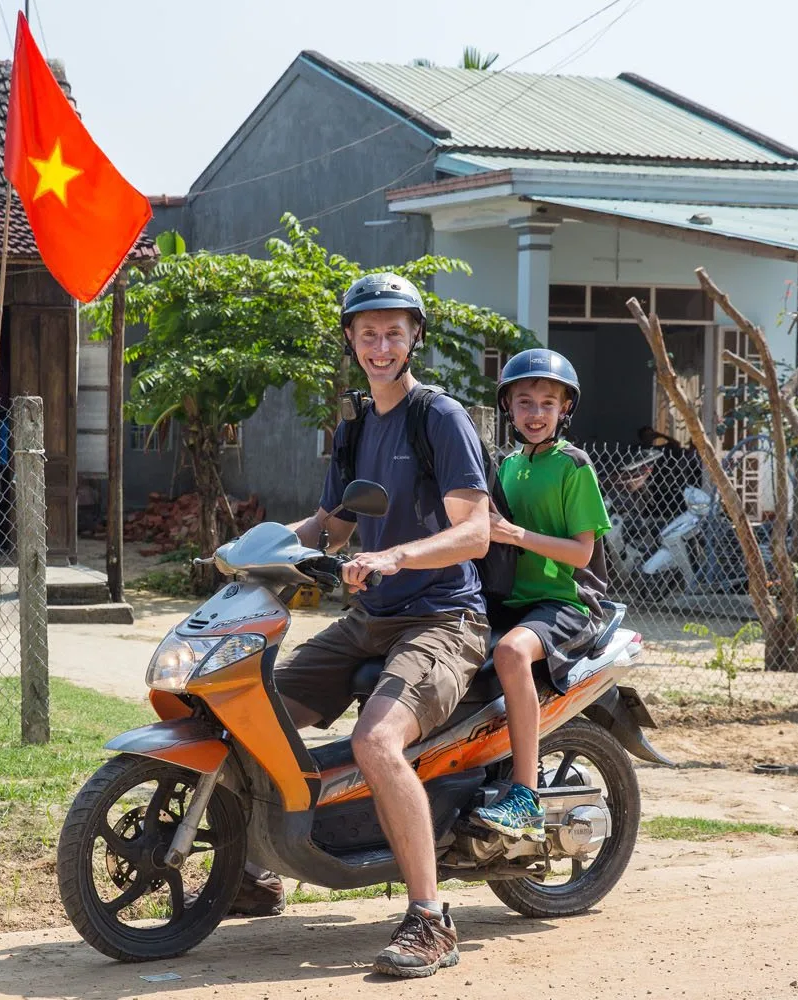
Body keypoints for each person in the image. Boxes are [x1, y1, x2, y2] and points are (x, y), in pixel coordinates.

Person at [268, 272, 492, 979]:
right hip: (372, 618)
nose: (381, 344)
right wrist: (264, 545)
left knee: (376, 740)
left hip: (443, 619)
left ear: (414, 337)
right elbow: (331, 524)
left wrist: (396, 554)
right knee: (257, 714)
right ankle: (252, 867)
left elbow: (476, 532)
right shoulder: (357, 424)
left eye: (395, 331)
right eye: (368, 332)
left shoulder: (440, 417)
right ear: (351, 341)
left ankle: (430, 919)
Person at [470, 349, 612, 842]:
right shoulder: (505, 465)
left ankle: (525, 795)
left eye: (547, 404)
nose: (535, 413)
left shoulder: (573, 466)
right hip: (507, 599)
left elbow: (580, 553)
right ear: (507, 406)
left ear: (564, 410)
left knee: (510, 652)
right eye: (525, 401)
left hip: (565, 603)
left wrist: (515, 535)